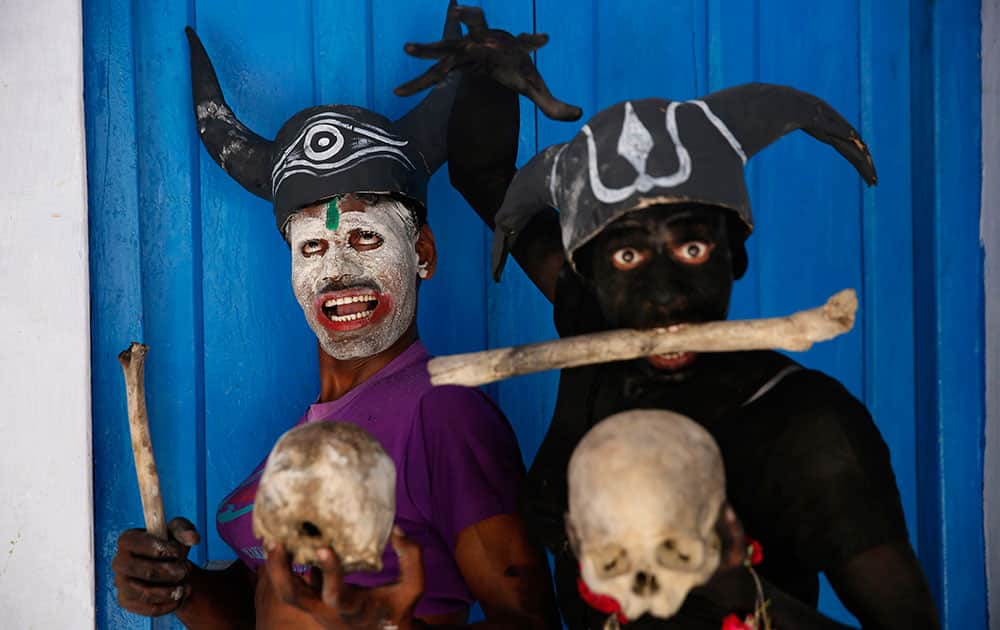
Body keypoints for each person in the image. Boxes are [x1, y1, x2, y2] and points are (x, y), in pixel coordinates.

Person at [431, 29, 940, 628]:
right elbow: (483, 174)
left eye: (693, 247)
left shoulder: (807, 426)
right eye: (626, 258)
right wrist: (485, 81)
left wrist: (732, 588)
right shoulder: (592, 324)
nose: (664, 293)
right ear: (587, 273)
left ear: (737, 255)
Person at [110, 6, 579, 628]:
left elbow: (529, 621)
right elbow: (269, 611)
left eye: (363, 239)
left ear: (423, 254)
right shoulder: (306, 436)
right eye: (312, 248)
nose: (336, 271)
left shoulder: (444, 412)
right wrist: (179, 586)